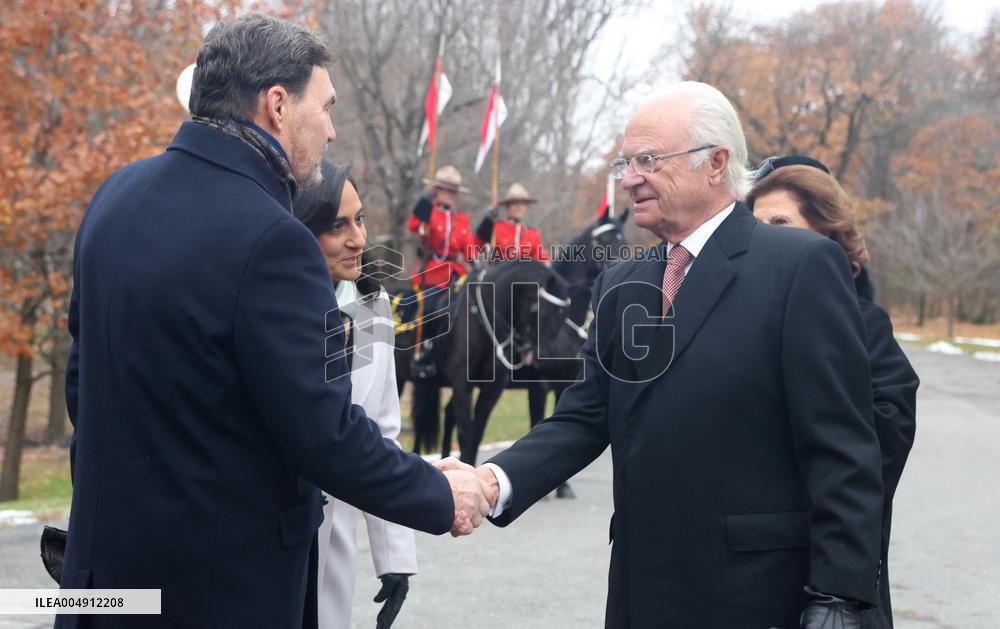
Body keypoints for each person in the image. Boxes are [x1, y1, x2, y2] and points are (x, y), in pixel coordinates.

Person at [60, 15, 489, 629]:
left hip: (103, 582)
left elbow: (86, 385)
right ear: (278, 105)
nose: (333, 129)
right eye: (327, 106)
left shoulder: (115, 196)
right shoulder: (273, 238)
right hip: (219, 591)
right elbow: (322, 433)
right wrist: (438, 492)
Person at [437, 81, 884, 629]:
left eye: (648, 160)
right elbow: (586, 414)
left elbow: (842, 447)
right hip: (641, 591)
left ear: (716, 162)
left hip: (758, 596)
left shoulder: (799, 266)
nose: (629, 179)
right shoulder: (623, 281)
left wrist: (838, 597)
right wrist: (490, 483)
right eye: (626, 162)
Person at [749, 156, 919, 629]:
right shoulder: (745, 324)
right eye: (756, 225)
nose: (765, 236)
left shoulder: (864, 324)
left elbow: (882, 439)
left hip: (825, 563)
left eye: (780, 222)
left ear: (827, 234)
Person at [294, 161, 416, 629]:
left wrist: (394, 554)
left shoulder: (374, 307)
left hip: (336, 543)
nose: (359, 239)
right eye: (337, 225)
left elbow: (382, 430)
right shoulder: (267, 303)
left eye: (360, 219)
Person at [407, 165, 482, 378]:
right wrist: (425, 199)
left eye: (454, 191)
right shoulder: (429, 212)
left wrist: (477, 263)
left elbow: (469, 248)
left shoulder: (462, 219)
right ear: (437, 190)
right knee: (430, 308)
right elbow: (414, 225)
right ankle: (424, 352)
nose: (451, 195)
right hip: (431, 271)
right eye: (447, 190)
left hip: (456, 273)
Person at [474, 183, 550, 263]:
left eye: (523, 203)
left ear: (527, 207)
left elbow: (543, 261)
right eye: (515, 203)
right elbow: (475, 247)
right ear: (508, 206)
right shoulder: (495, 228)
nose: (519, 206)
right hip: (499, 273)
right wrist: (486, 222)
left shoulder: (533, 234)